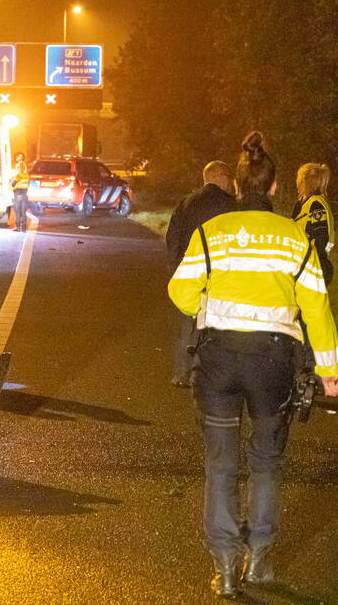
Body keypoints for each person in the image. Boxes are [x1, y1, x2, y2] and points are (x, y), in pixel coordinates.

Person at [168, 131, 338, 598]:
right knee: (266, 462)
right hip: (273, 363)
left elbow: (180, 293)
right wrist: (329, 372)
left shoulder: (212, 233)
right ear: (277, 186)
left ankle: (224, 567)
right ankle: (259, 561)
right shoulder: (294, 237)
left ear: (238, 186)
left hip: (219, 360)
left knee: (221, 464)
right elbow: (318, 309)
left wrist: (211, 297)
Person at [165, 160, 236, 387]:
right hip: (219, 273)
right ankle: (213, 374)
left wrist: (177, 266)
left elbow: (172, 236)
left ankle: (181, 373)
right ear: (222, 178)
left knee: (186, 323)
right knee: (219, 323)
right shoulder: (231, 205)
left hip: (189, 271)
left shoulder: (186, 202)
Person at [292, 162, 334, 287]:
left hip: (315, 267)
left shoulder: (316, 205)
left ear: (306, 182)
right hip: (306, 266)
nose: (296, 181)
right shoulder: (303, 202)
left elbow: (321, 239)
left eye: (299, 178)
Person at [10, 152, 30, 232]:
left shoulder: (18, 175)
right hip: (25, 194)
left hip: (18, 193)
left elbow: (12, 184)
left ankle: (17, 227)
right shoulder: (26, 175)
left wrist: (11, 179)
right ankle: (24, 228)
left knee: (17, 211)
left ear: (18, 168)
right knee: (23, 211)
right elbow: (28, 184)